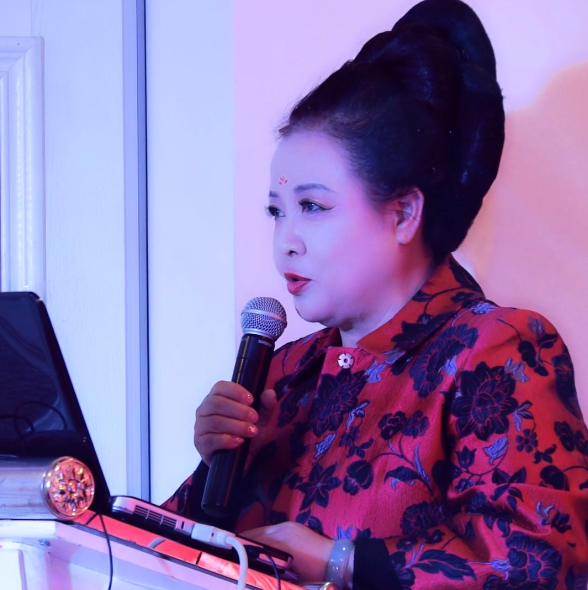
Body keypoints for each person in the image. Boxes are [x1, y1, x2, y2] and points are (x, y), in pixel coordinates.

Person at [163, 0, 588, 588]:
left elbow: (540, 562)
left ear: (403, 213)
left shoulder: (496, 348)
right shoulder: (285, 371)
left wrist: (341, 563)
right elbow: (173, 561)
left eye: (313, 206)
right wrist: (221, 468)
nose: (286, 241)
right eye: (276, 211)